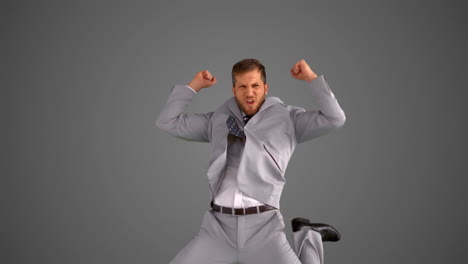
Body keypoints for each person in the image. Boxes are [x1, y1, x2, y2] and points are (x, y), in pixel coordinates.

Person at [156, 58, 346, 264]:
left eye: (255, 85)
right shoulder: (217, 119)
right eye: (242, 86)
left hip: (265, 229)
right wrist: (194, 86)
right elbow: (168, 122)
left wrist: (311, 78)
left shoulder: (289, 119)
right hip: (217, 231)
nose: (249, 93)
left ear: (265, 88)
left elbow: (334, 118)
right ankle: (309, 234)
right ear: (234, 89)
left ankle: (309, 236)